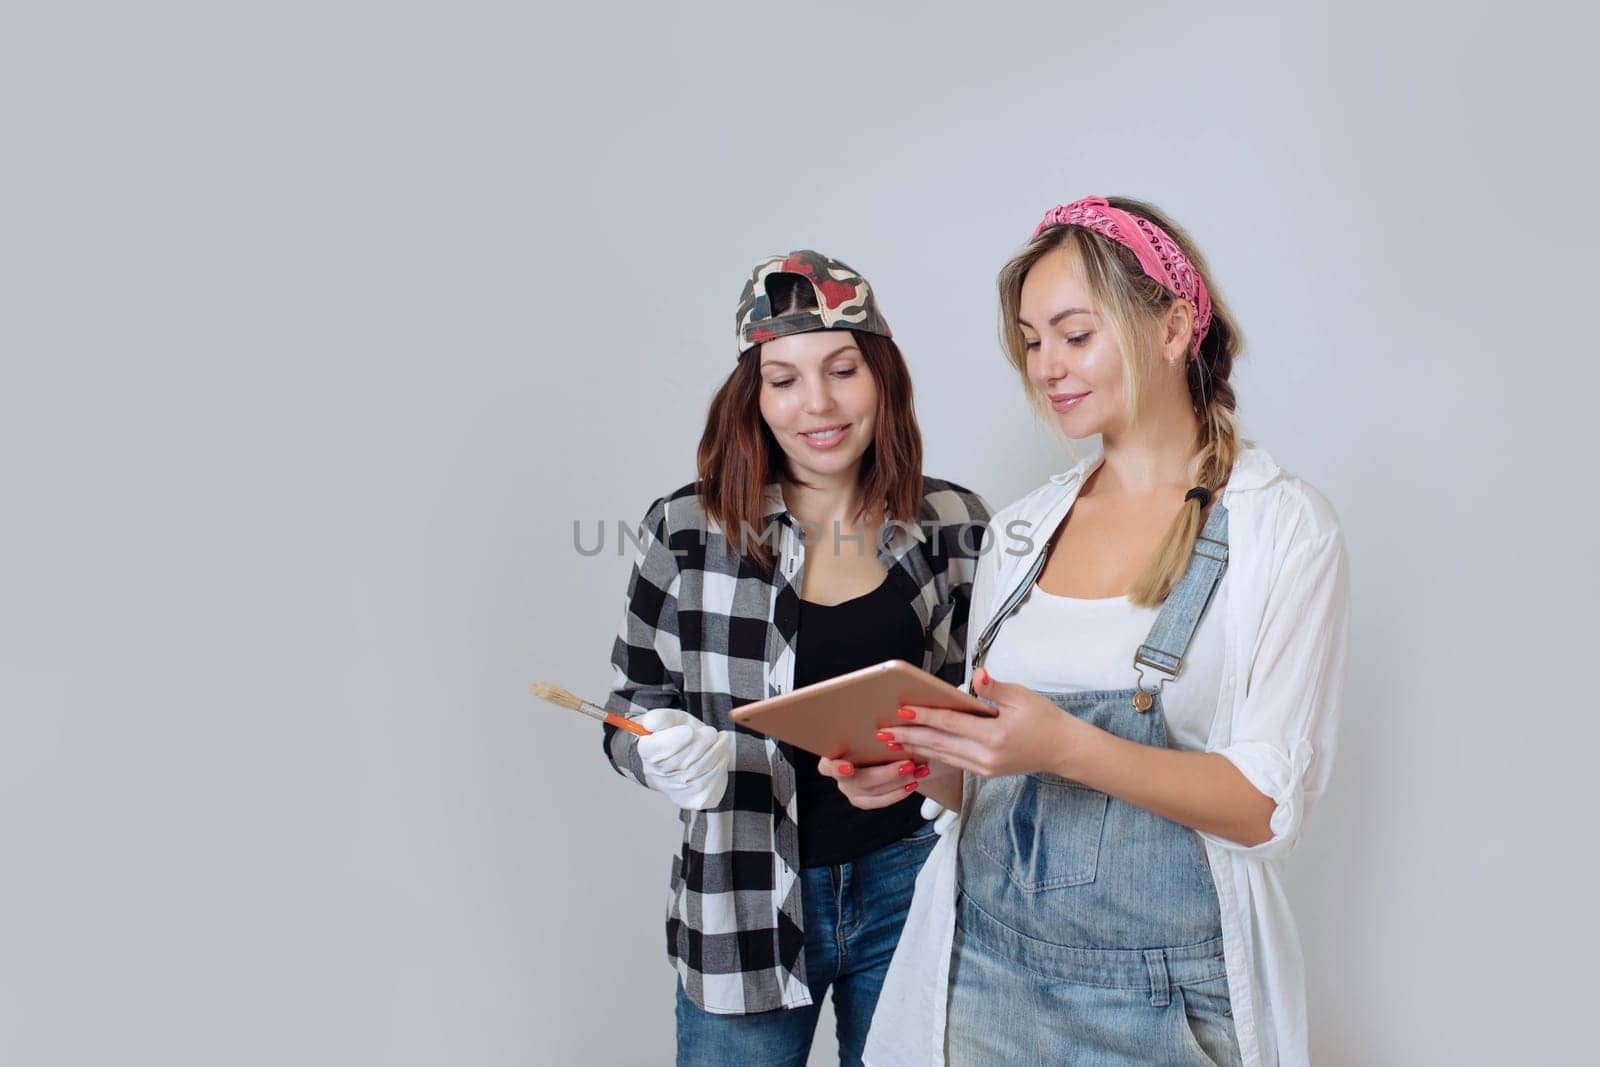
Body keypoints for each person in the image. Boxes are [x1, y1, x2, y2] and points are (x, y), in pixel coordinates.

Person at [825, 197, 1349, 1066]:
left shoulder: (1282, 529)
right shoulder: (1022, 530)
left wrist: (1064, 744)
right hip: (980, 977)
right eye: (1031, 341)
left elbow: (1264, 810)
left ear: (1175, 327)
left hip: (1165, 1000)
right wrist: (928, 767)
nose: (1046, 367)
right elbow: (998, 785)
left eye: (1074, 334)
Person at [601, 249, 991, 1066]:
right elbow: (626, 702)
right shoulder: (684, 529)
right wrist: (658, 752)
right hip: (740, 899)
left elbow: (983, 714)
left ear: (881, 376)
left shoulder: (954, 522)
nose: (817, 403)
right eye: (783, 378)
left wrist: (939, 769)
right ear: (755, 396)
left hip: (909, 885)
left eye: (841, 369)